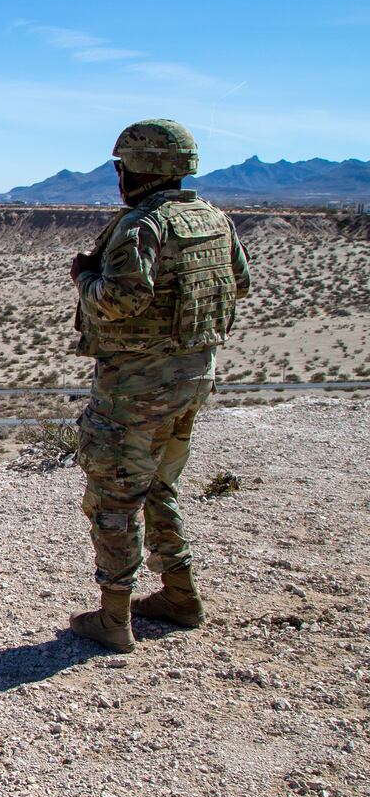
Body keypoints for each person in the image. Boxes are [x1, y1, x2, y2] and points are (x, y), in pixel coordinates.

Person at [67, 119, 250, 653]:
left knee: (115, 498)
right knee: (160, 487)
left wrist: (83, 276)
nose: (119, 175)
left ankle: (114, 619)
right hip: (194, 377)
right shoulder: (213, 219)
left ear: (143, 168)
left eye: (123, 166)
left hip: (136, 388)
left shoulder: (142, 226)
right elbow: (239, 283)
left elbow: (116, 301)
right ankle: (179, 595)